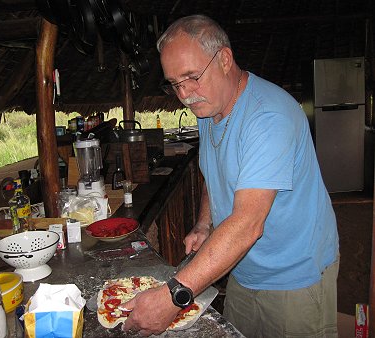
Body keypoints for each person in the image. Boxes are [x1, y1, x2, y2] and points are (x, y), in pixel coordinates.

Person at [122, 14, 339, 337]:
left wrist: (174, 295)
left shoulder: (268, 118)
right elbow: (216, 172)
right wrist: (203, 224)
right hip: (242, 267)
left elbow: (248, 224)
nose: (185, 93)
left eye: (192, 77)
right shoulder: (208, 108)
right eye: (175, 83)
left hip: (294, 275)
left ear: (224, 59)